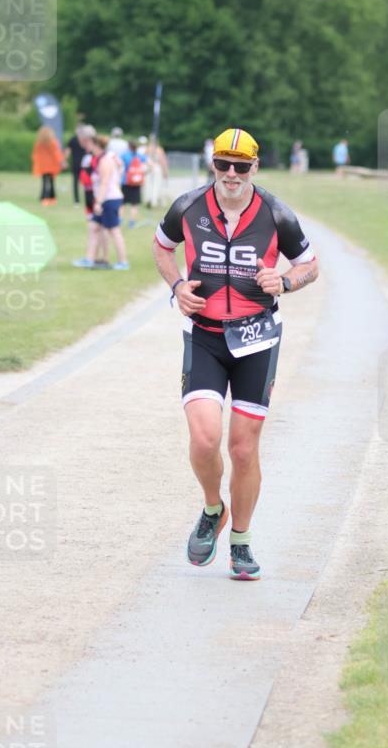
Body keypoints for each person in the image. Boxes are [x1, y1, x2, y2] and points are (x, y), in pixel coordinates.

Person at [152, 127, 319, 580]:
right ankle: (212, 509)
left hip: (257, 339)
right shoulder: (187, 207)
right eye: (223, 163)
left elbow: (310, 265)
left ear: (254, 168)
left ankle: (241, 542)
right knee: (205, 439)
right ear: (213, 164)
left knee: (243, 449)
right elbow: (162, 247)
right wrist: (177, 286)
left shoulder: (275, 214)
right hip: (204, 334)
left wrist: (284, 282)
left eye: (240, 166)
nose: (231, 173)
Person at [73, 135, 129, 270]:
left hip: (109, 199)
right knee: (93, 227)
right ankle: (89, 259)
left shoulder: (105, 160)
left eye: (90, 144)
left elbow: (104, 183)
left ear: (96, 145)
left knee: (114, 231)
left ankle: (123, 262)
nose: (88, 146)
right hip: (105, 198)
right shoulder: (99, 159)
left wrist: (98, 202)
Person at [32, 126, 64, 205]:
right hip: (51, 166)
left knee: (44, 182)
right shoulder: (53, 142)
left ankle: (44, 197)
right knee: (51, 182)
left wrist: (37, 163)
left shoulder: (39, 143)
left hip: (43, 166)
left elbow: (35, 155)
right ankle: (51, 198)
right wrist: (61, 162)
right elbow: (57, 153)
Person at [121, 139, 148, 227]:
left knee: (122, 203)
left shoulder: (124, 155)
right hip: (136, 182)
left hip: (126, 181)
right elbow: (150, 164)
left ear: (128, 146)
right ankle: (131, 222)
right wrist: (144, 173)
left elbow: (119, 165)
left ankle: (119, 220)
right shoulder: (140, 155)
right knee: (134, 204)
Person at [63, 124, 90, 204]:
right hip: (84, 164)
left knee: (76, 182)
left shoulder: (73, 139)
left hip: (77, 163)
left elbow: (67, 152)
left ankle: (76, 200)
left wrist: (64, 160)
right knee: (86, 182)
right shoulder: (86, 140)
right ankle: (86, 199)